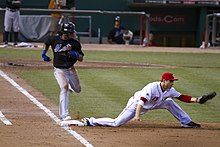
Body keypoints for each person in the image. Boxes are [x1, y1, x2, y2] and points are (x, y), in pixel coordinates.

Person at [82, 72, 215, 128]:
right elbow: (141, 101)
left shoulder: (169, 90)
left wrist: (197, 100)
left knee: (169, 102)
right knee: (117, 123)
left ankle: (186, 122)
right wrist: (137, 115)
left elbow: (182, 97)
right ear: (164, 81)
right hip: (136, 105)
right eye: (171, 81)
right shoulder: (152, 87)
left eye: (173, 81)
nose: (172, 83)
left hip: (153, 104)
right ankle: (91, 121)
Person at [41, 22, 84, 121]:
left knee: (77, 89)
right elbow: (46, 43)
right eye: (70, 32)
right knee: (64, 87)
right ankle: (64, 115)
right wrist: (43, 53)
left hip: (71, 69)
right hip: (59, 69)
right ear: (65, 33)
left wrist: (77, 55)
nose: (72, 34)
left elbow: (81, 58)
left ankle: (70, 87)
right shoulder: (54, 39)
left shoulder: (75, 43)